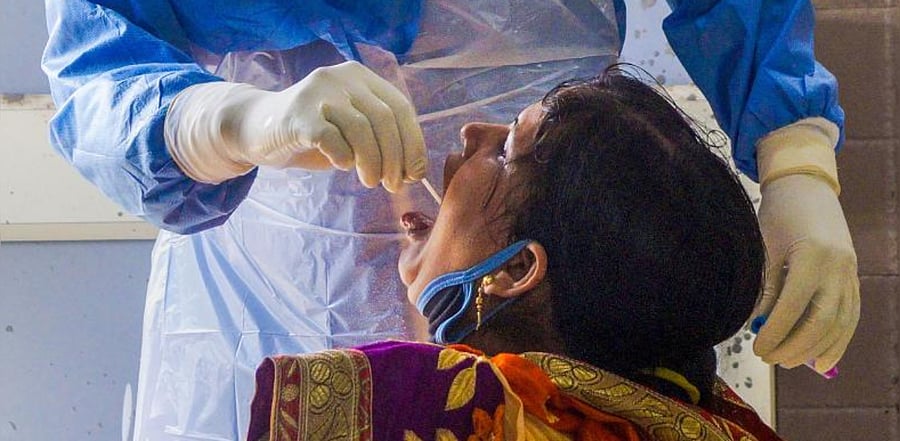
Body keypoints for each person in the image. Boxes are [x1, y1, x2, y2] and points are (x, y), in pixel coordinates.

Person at [41, 0, 856, 439]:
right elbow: (96, 64)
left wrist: (798, 154)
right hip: (258, 298)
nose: (459, 143)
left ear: (514, 271)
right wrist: (225, 123)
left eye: (507, 147)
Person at [247, 68, 782, 441]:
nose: (471, 131)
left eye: (506, 152)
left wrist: (223, 129)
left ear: (515, 268)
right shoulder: (706, 415)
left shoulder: (410, 401)